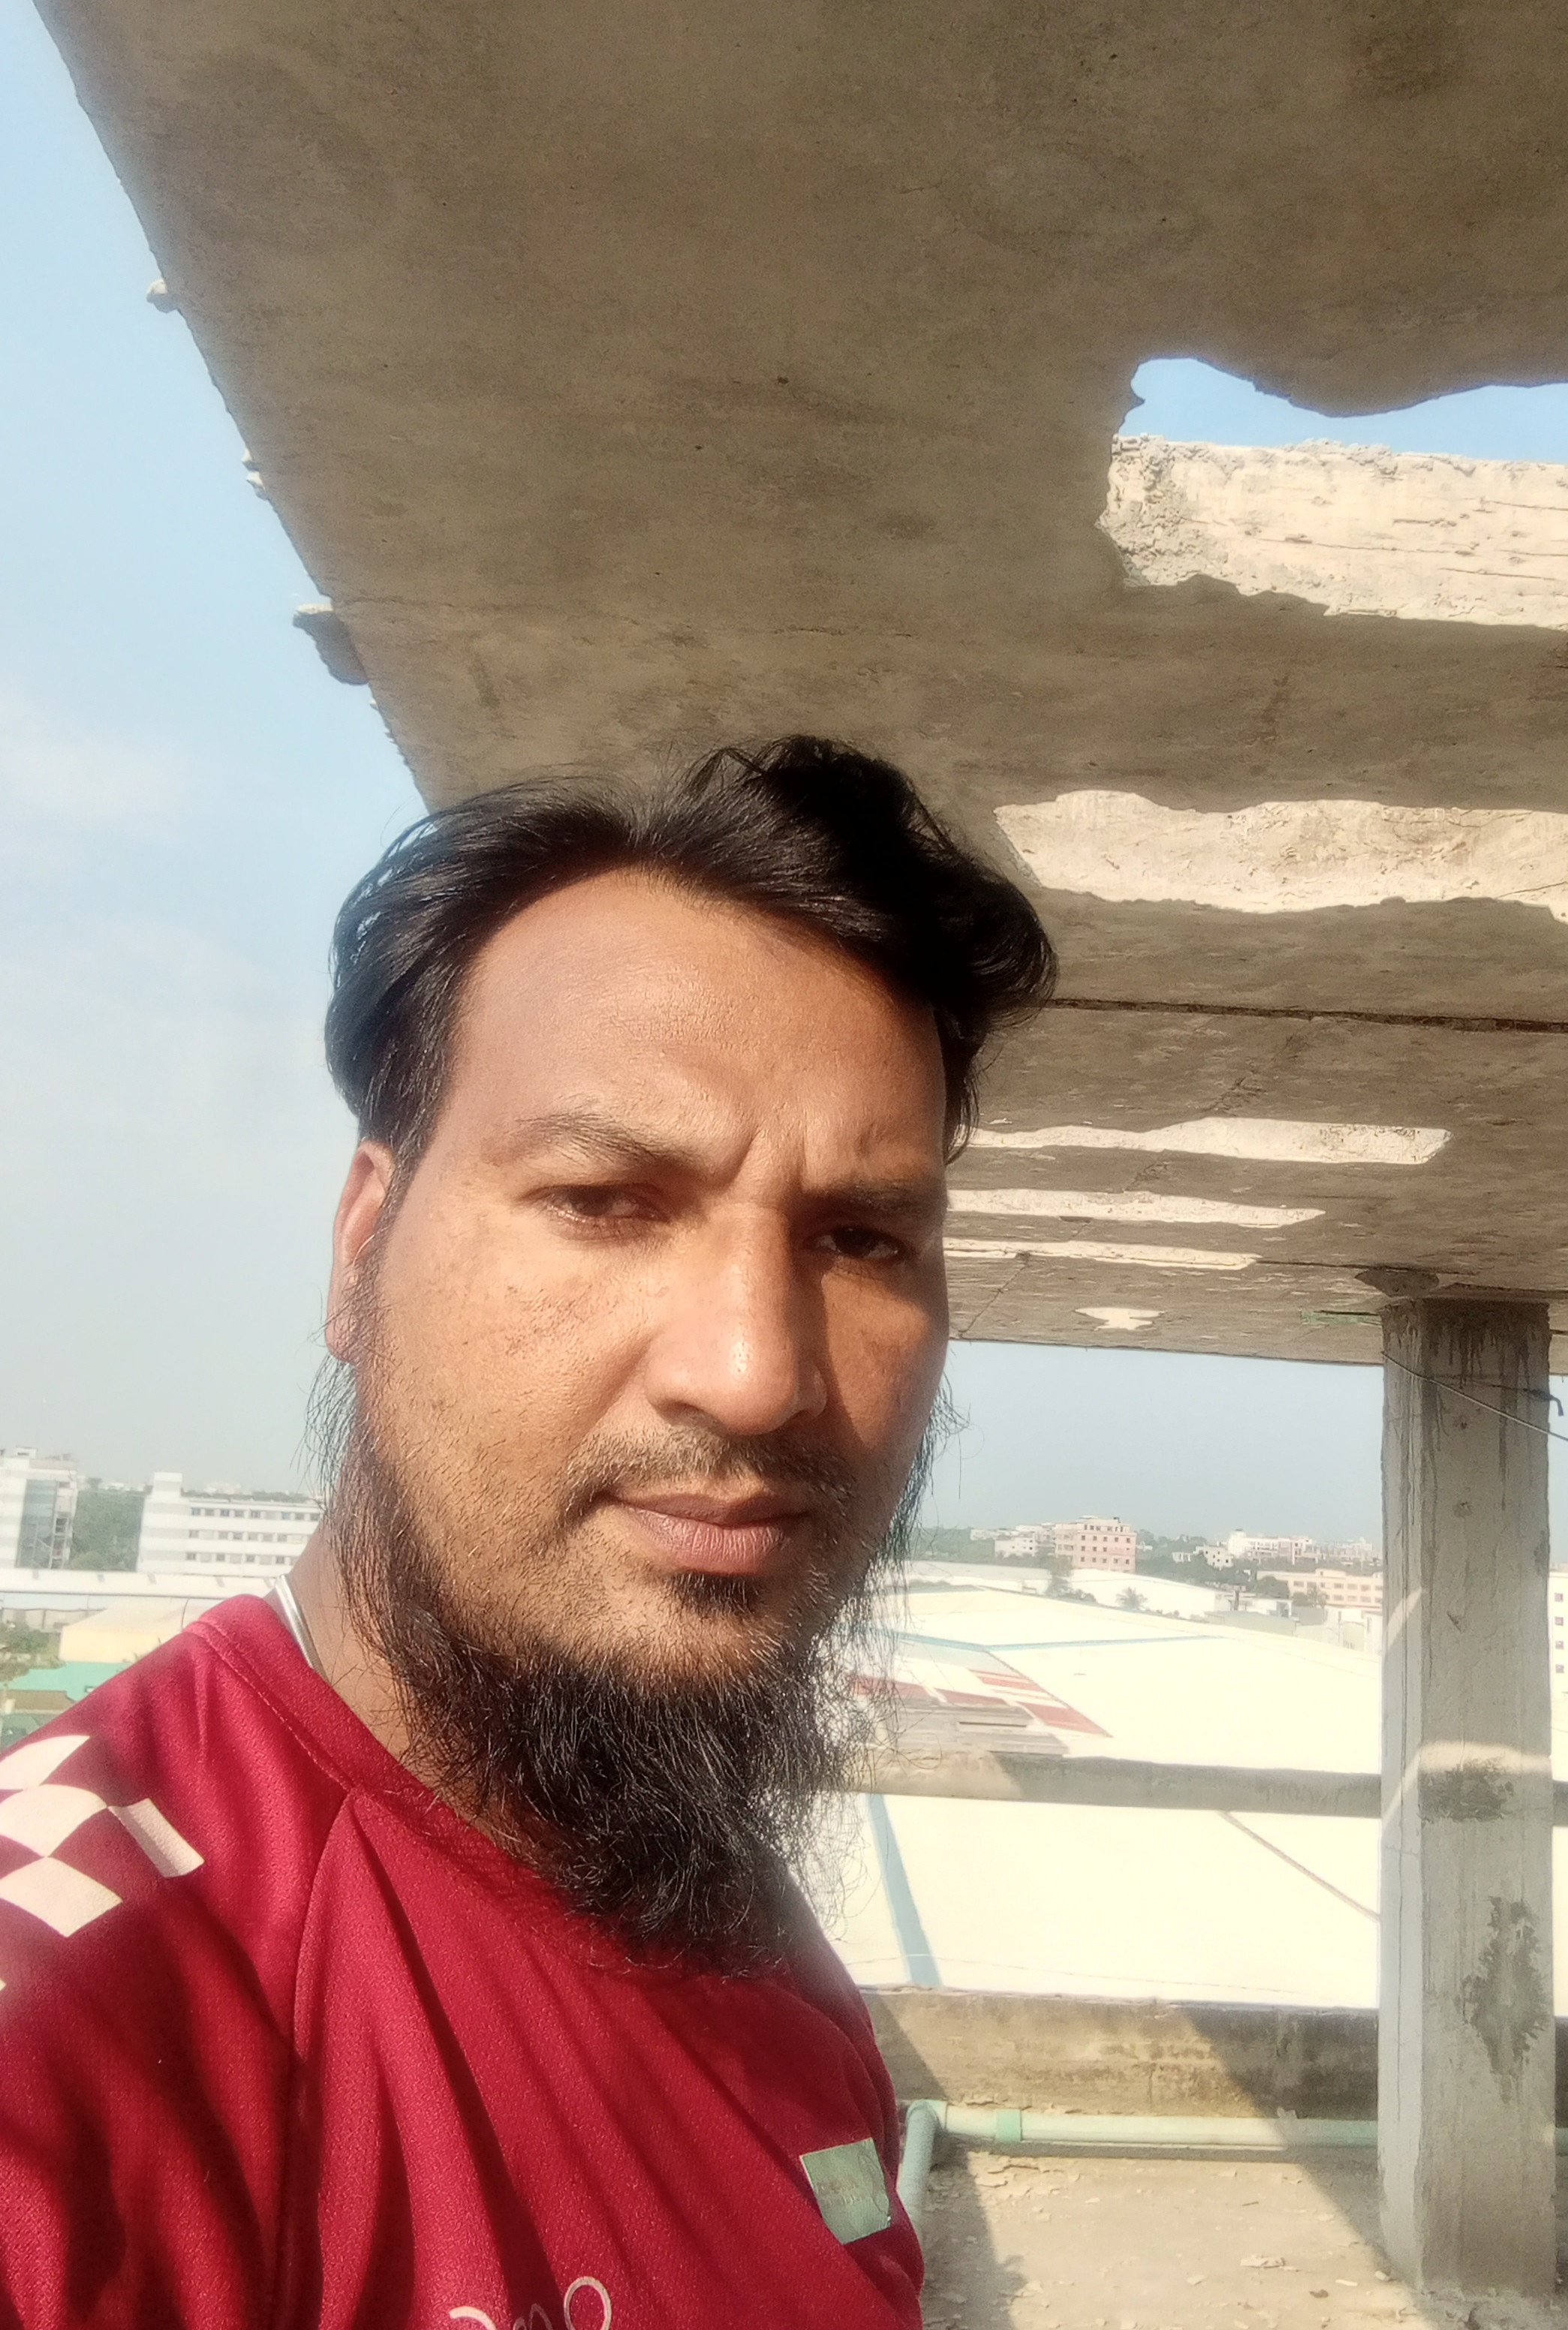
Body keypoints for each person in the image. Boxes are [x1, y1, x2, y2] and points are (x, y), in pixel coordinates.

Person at [0, 737, 1055, 2330]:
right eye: (606, 1200)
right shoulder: (78, 2049)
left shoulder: (715, 1901)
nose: (756, 1372)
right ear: (363, 1247)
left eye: (858, 1238)